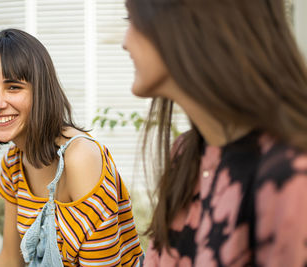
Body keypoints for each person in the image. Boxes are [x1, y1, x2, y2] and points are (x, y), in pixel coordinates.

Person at [122, 0, 307, 266]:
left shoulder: (291, 176)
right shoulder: (186, 154)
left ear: (188, 23)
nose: (125, 43)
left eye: (131, 19)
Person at [0, 28, 144, 266]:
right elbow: (11, 259)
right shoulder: (14, 162)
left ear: (41, 91)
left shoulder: (80, 158)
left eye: (13, 87)